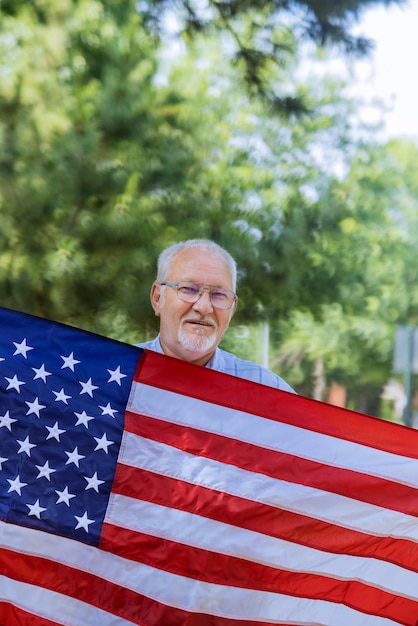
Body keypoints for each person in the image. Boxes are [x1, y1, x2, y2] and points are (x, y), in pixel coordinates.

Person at [138, 238, 294, 392]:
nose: (204, 307)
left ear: (232, 308)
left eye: (219, 294)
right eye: (189, 289)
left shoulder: (268, 391)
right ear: (157, 298)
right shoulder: (118, 372)